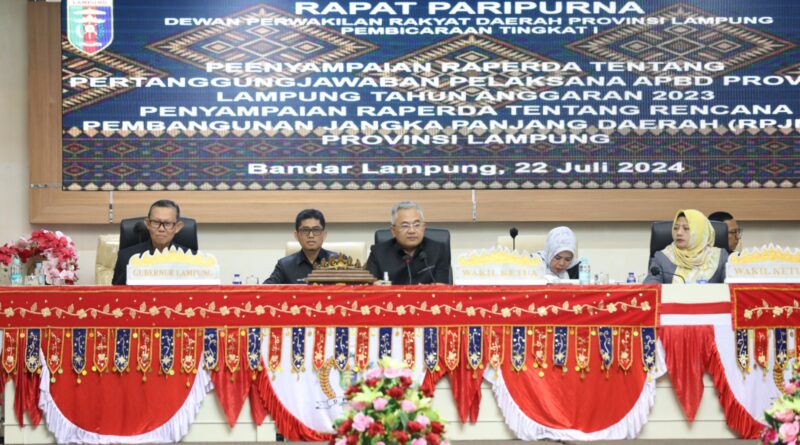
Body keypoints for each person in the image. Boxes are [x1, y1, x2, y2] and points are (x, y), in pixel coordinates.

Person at [366, 201, 452, 284]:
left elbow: (442, 287)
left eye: (417, 225)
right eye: (405, 226)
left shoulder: (439, 251)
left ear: (423, 227)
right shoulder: (377, 253)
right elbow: (369, 287)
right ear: (393, 231)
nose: (412, 231)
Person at [112, 199, 191, 285]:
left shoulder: (190, 259)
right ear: (147, 224)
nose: (161, 229)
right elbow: (116, 292)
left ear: (177, 227)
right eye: (156, 222)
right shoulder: (126, 258)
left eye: (167, 223)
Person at [645, 209, 729, 284]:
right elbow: (650, 288)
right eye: (676, 228)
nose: (679, 233)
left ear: (700, 232)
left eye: (686, 228)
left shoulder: (718, 256)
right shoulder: (662, 257)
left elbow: (732, 287)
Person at [264, 209, 337, 284]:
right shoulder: (284, 266)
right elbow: (265, 289)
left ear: (324, 235)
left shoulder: (338, 262)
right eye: (305, 230)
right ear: (296, 235)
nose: (311, 235)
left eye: (316, 230)